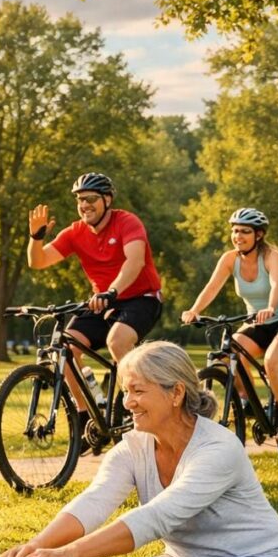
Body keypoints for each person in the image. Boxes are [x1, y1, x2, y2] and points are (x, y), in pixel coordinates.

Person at [0, 341, 278, 557]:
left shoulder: (218, 449)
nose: (127, 403)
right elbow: (94, 501)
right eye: (126, 392)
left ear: (176, 393)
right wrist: (36, 546)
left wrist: (69, 553)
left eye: (137, 392)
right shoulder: (134, 447)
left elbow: (156, 518)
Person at [28, 172, 163, 421]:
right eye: (80, 200)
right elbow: (38, 261)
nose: (84, 205)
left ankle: (130, 403)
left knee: (117, 341)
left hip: (141, 297)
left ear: (107, 200)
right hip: (102, 300)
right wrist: (36, 238)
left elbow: (135, 262)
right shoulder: (75, 232)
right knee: (65, 348)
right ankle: (84, 414)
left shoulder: (127, 222)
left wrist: (112, 291)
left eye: (91, 198)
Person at [181, 208, 278, 440]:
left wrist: (271, 307)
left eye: (244, 231)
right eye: (234, 231)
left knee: (273, 361)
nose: (237, 236)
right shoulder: (230, 259)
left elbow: (277, 284)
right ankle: (248, 401)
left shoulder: (272, 255)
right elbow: (212, 287)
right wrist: (195, 310)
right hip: (258, 320)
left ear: (259, 235)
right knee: (228, 354)